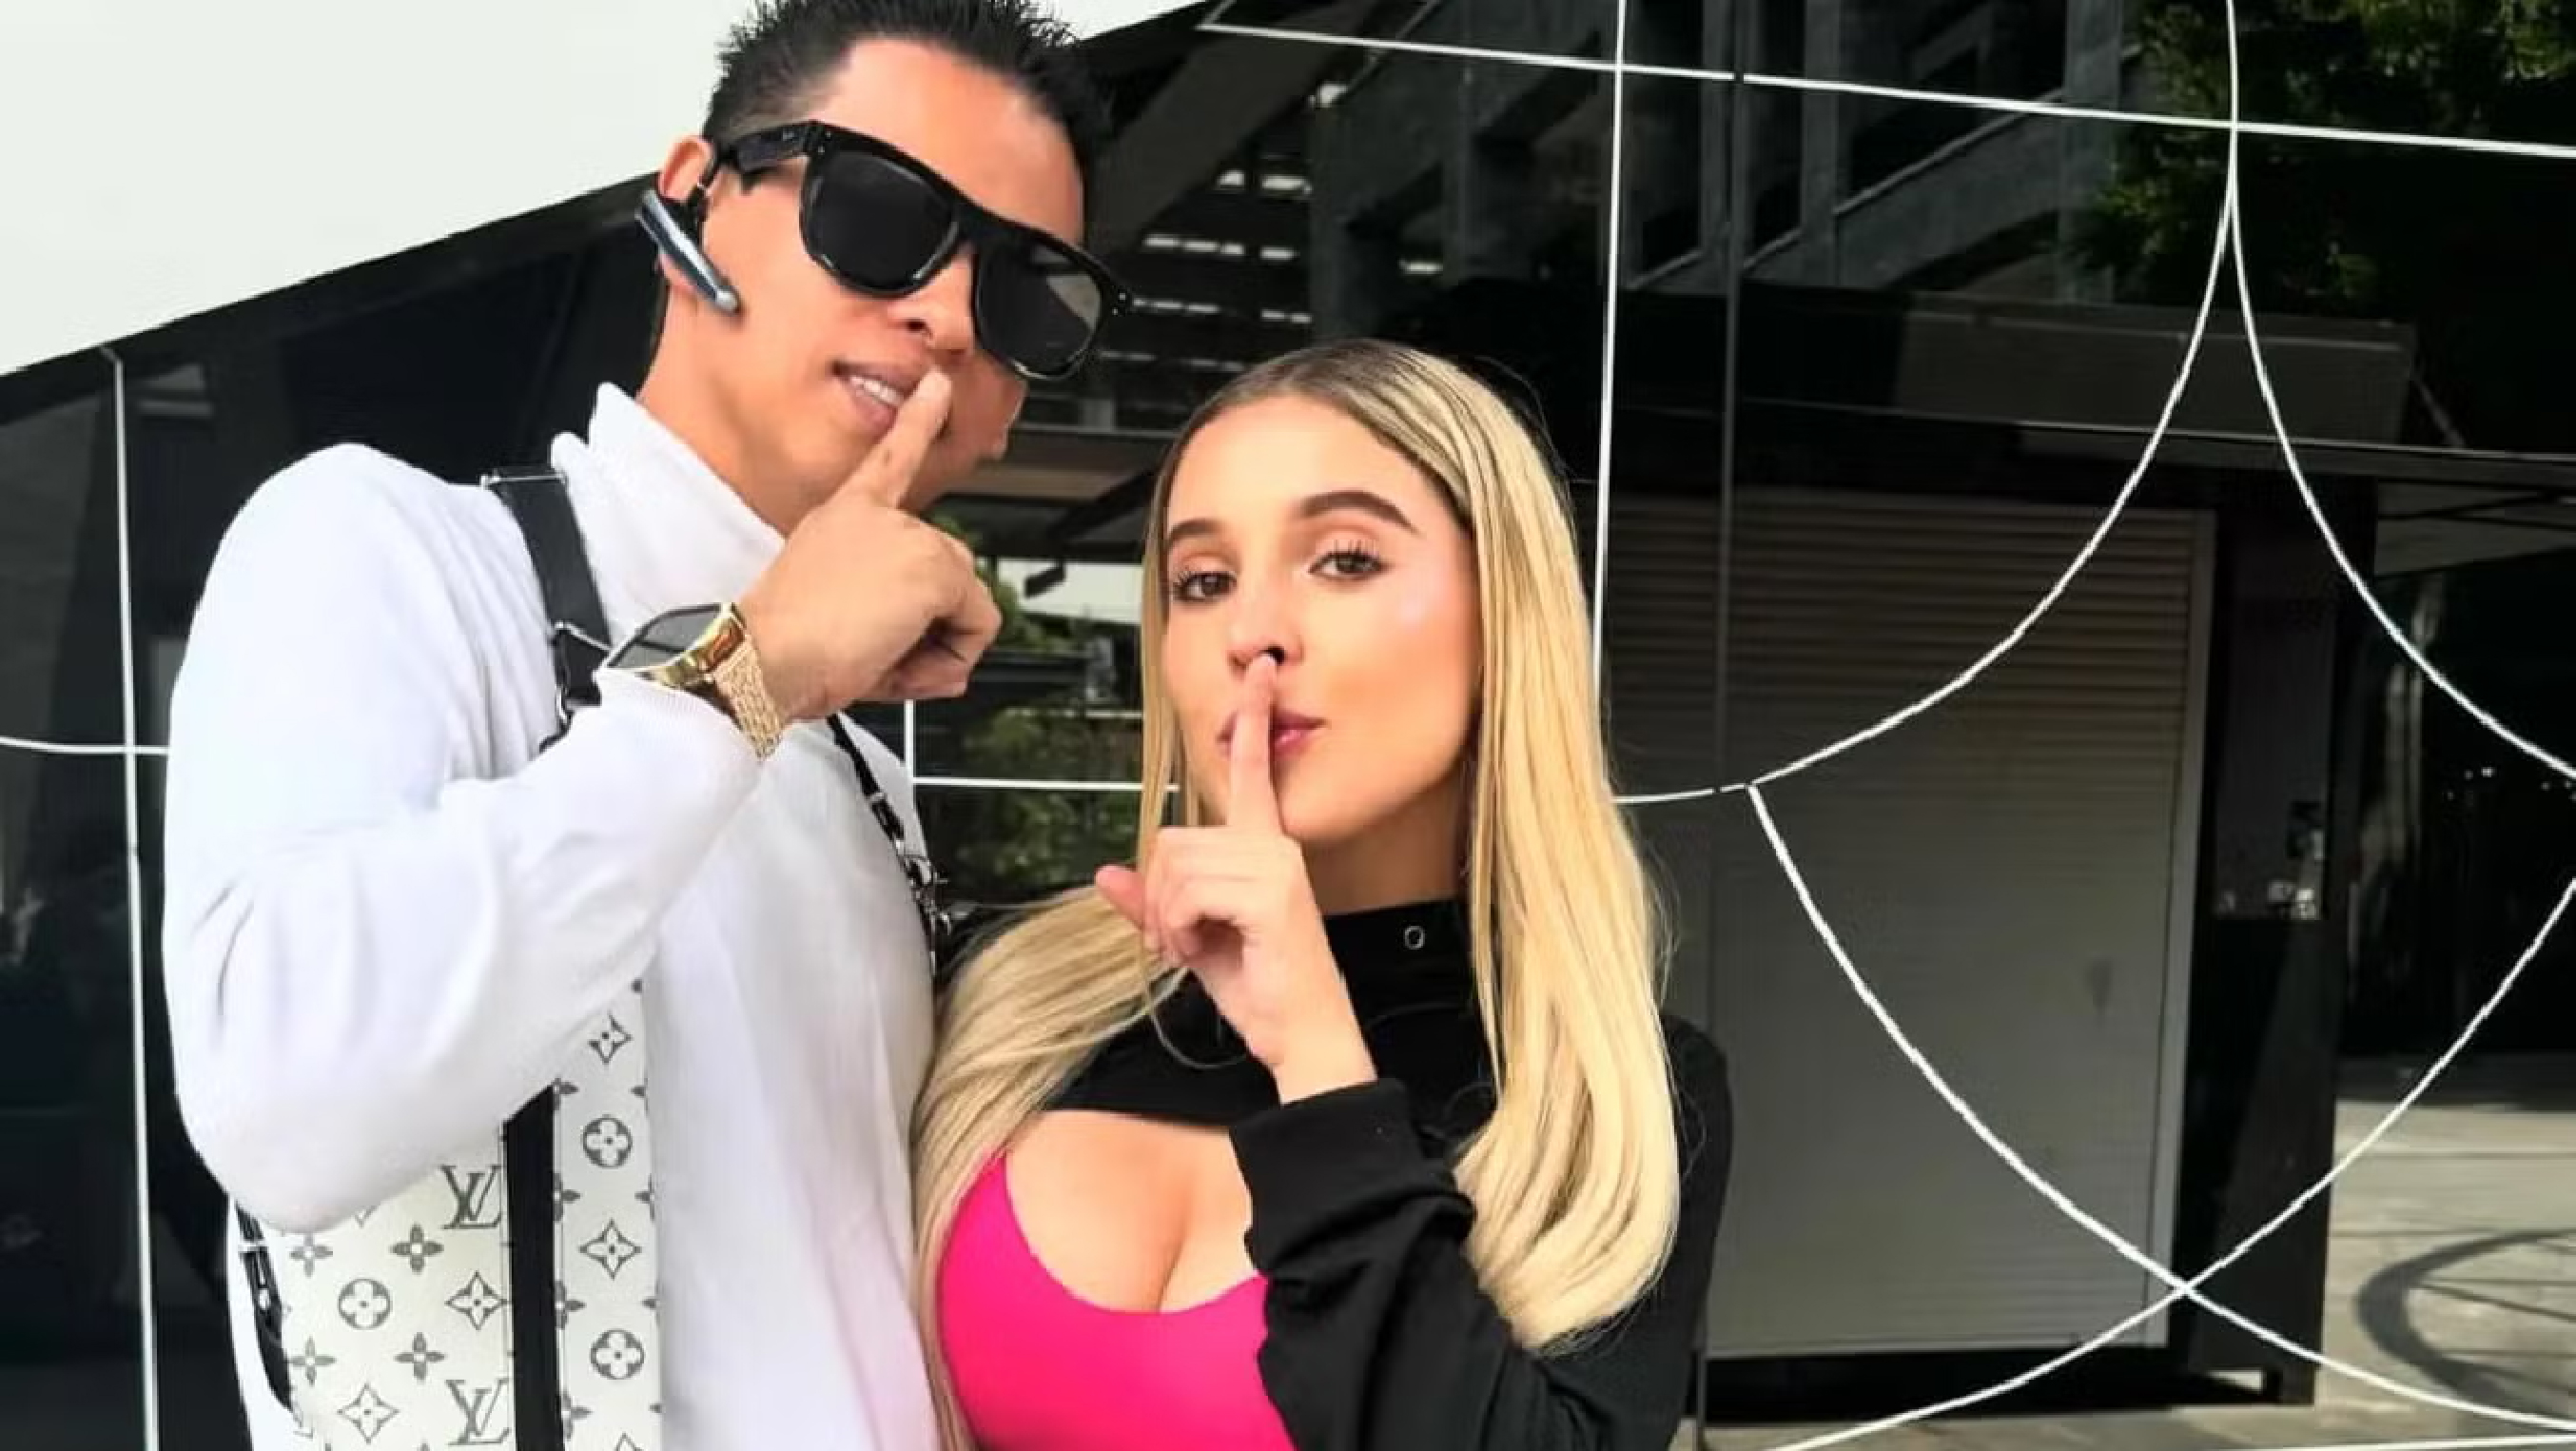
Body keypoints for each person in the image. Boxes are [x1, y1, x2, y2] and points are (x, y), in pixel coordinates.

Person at [156, 3, 1122, 1448]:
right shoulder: (390, 553)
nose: (945, 313)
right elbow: (284, 1101)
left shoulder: (863, 774)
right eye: (879, 215)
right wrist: (753, 671)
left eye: (1026, 295)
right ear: (692, 202)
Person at [911, 339, 1735, 1451]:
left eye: (1343, 560)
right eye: (1202, 581)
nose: (1250, 631)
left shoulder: (1614, 1096)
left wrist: (1315, 1053)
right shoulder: (1002, 999)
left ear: (1503, 615)